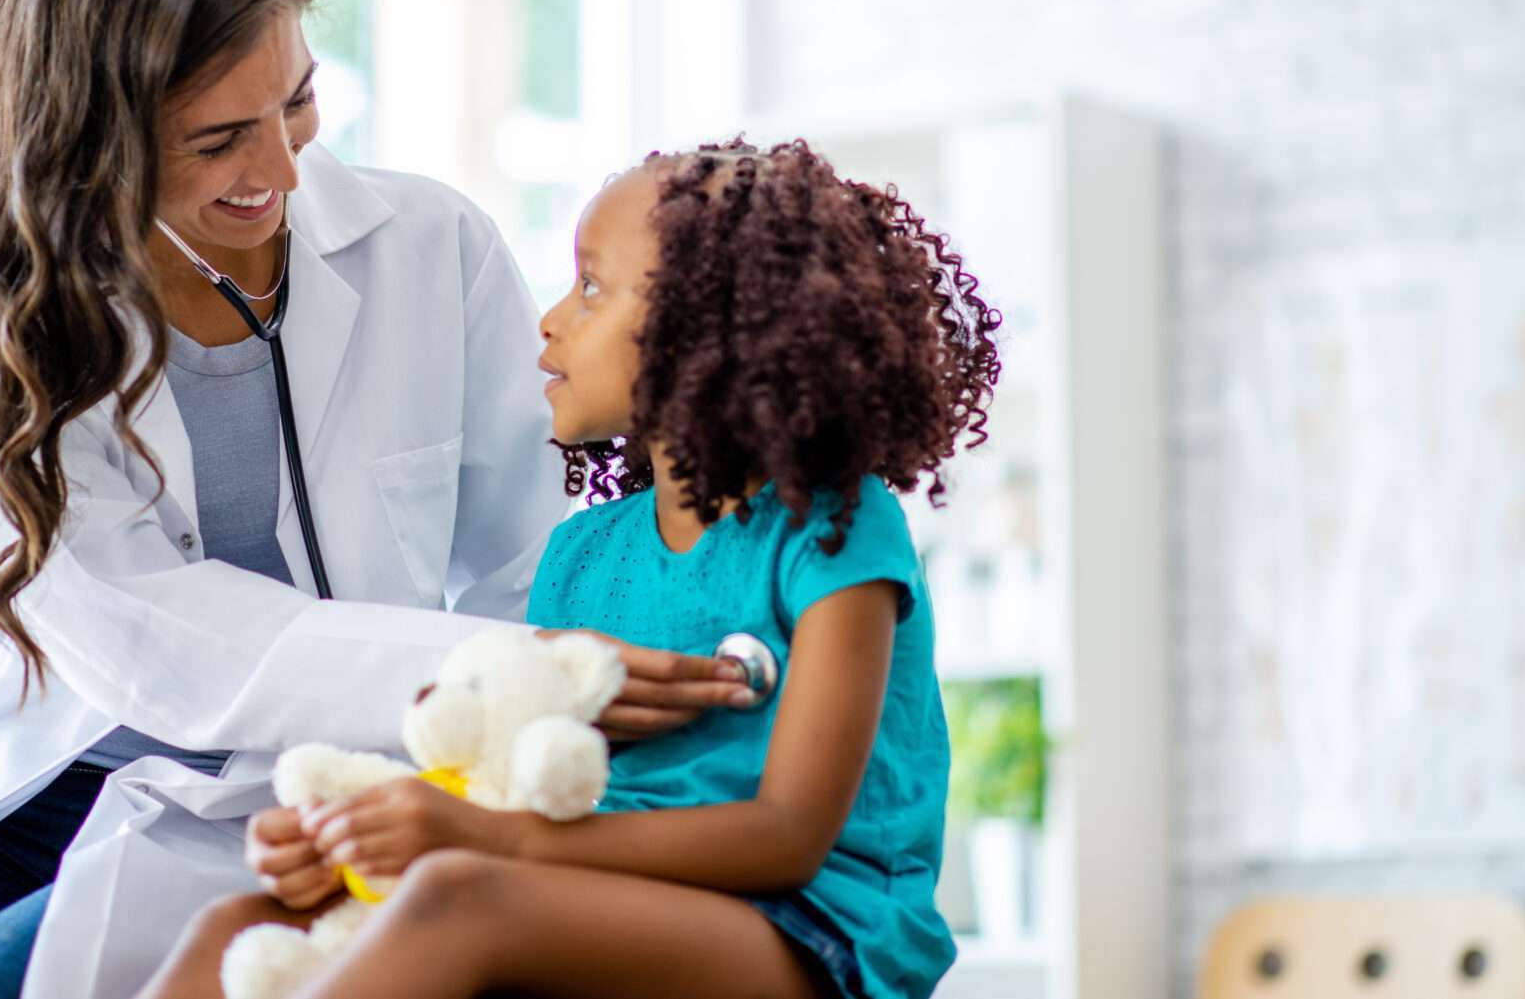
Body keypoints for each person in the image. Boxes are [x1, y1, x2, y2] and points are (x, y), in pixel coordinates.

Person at [0, 0, 754, 999]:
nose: (282, 170)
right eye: (218, 142)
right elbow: (151, 636)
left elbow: (531, 561)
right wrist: (485, 668)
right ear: (86, 143)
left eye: (296, 103)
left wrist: (516, 728)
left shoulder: (430, 246)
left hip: (348, 771)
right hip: (62, 779)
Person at [148, 139, 1003, 999]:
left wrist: (488, 840)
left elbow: (787, 836)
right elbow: (522, 777)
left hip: (813, 928)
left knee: (462, 897)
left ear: (714, 328)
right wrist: (355, 836)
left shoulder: (834, 527)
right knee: (238, 923)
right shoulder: (581, 554)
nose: (550, 319)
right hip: (611, 888)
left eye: (591, 287)